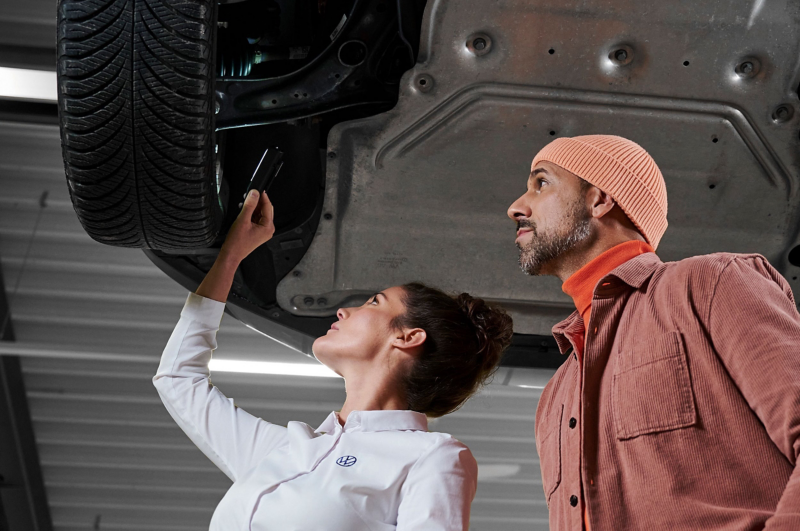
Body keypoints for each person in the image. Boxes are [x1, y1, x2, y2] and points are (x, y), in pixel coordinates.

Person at [153, 189, 514, 531]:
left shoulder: (431, 456)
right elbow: (178, 380)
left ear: (407, 337)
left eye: (373, 302)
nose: (343, 311)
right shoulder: (282, 451)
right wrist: (232, 255)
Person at [506, 135, 800, 530]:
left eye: (541, 183)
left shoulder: (710, 284)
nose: (516, 207)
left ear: (599, 199)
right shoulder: (556, 394)